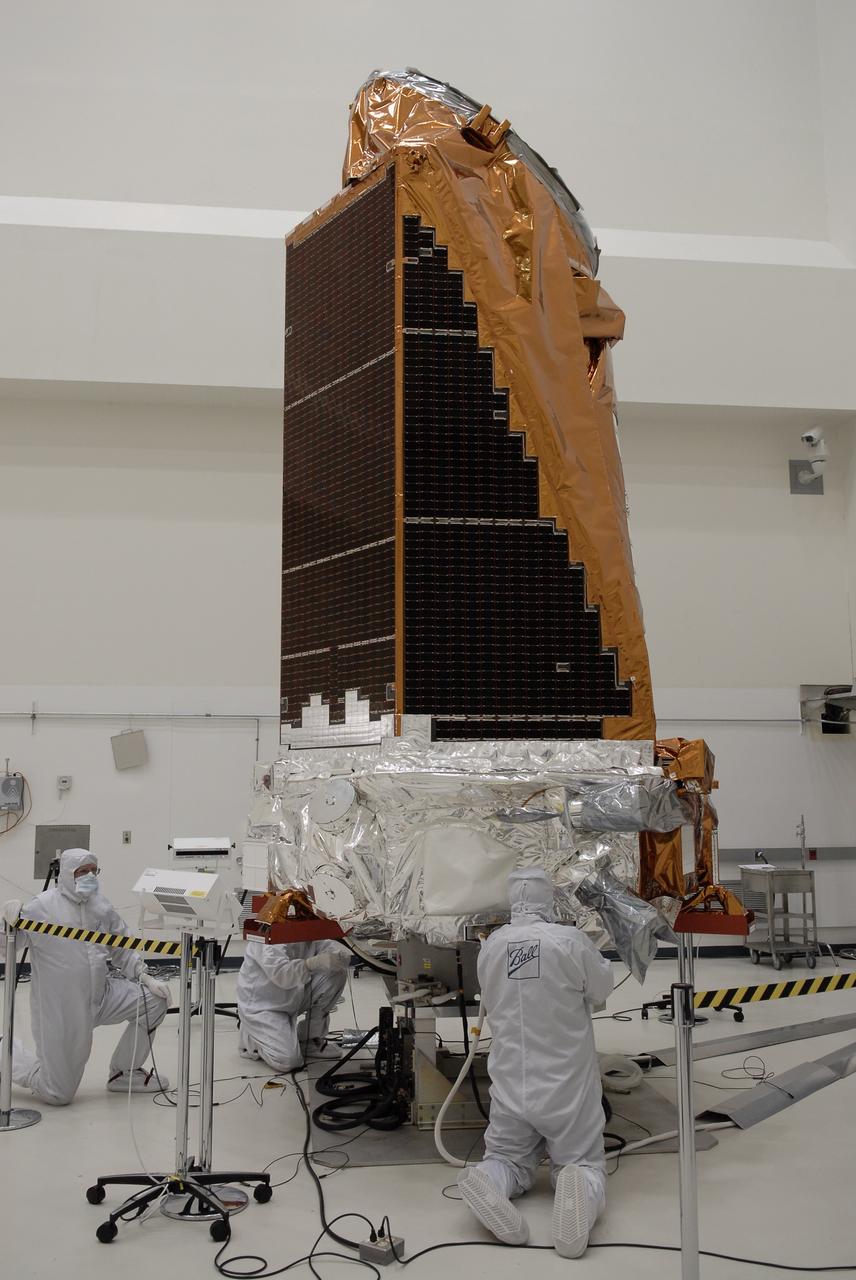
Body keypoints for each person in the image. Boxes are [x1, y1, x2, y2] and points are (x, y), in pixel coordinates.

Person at [458, 867, 614, 1259]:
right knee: (582, 1160)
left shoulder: (492, 947)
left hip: (511, 1083)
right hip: (566, 1086)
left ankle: (488, 1182)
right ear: (548, 900)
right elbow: (602, 987)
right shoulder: (569, 941)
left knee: (506, 1159)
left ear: (513, 901)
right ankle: (577, 1182)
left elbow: (491, 995)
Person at [2, 848, 171, 1106]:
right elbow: (7, 945)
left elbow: (121, 946)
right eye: (83, 872)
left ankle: (123, 1073)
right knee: (57, 1094)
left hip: (102, 997)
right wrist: (6, 923)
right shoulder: (43, 906)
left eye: (94, 871)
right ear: (68, 874)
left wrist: (143, 976)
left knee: (154, 1001)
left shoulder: (100, 906)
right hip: (63, 1011)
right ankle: (5, 1052)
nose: (90, 876)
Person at [237, 937, 351, 1072]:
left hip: (292, 994)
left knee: (335, 973)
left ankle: (309, 1039)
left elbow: (325, 947)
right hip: (263, 1005)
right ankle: (252, 1039)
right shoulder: (268, 930)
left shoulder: (304, 926)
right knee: (288, 1061)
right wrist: (313, 963)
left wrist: (338, 956)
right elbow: (281, 975)